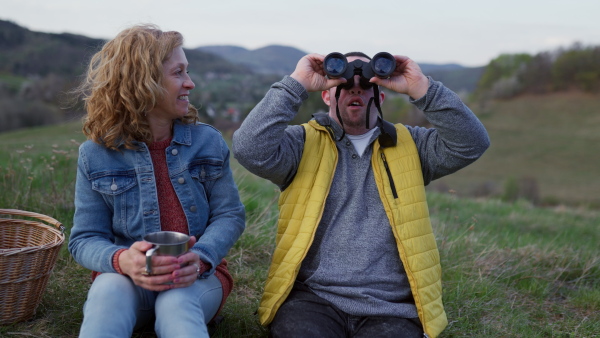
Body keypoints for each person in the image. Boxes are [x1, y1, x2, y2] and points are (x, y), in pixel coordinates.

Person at [232, 52, 490, 338]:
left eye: (366, 82)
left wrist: (421, 87)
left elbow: (472, 143)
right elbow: (248, 148)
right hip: (313, 300)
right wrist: (297, 83)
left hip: (391, 307)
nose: (356, 87)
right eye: (343, 82)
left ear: (380, 97)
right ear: (326, 96)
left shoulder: (411, 146)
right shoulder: (302, 144)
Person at [68, 24, 245, 337]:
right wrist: (122, 260)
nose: (190, 83)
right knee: (108, 290)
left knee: (176, 302)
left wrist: (201, 260)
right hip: (127, 281)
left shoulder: (209, 143)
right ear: (142, 82)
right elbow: (84, 239)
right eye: (178, 72)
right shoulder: (94, 155)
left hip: (197, 280)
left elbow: (229, 215)